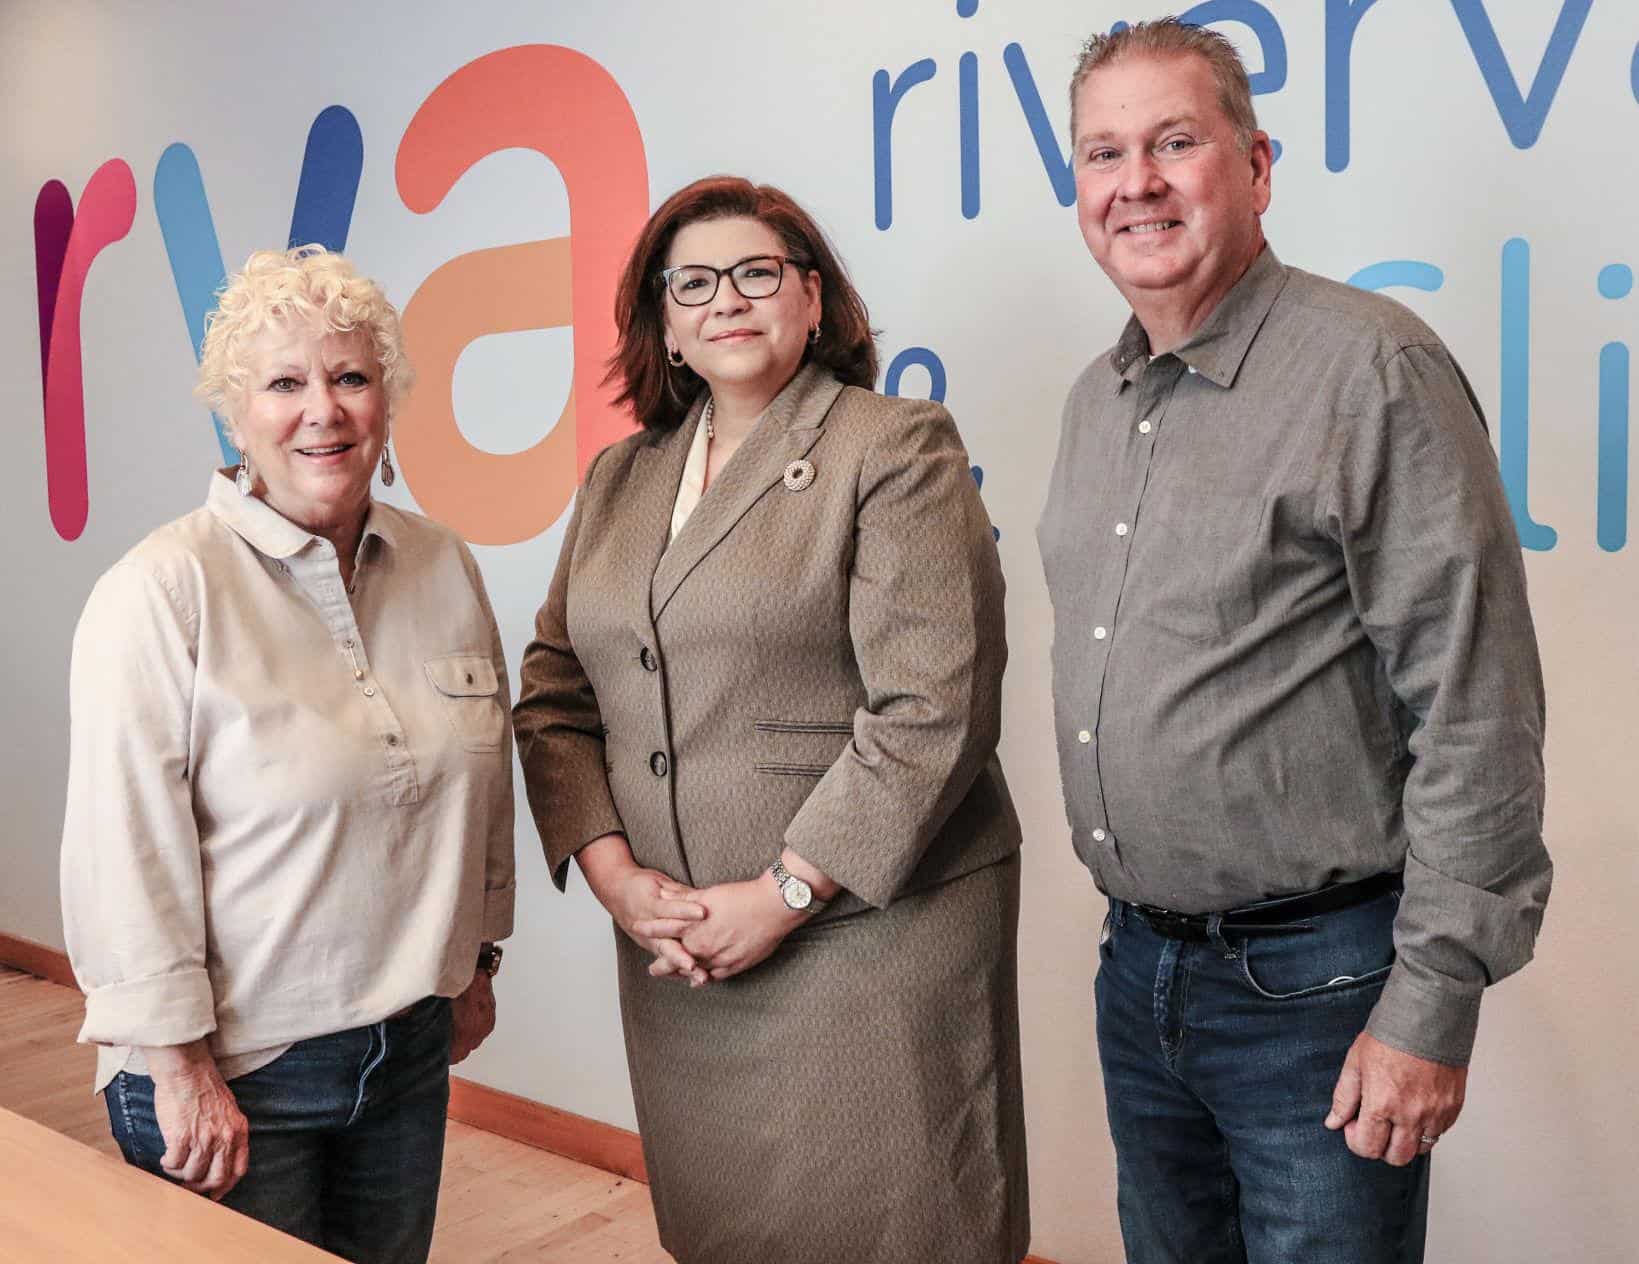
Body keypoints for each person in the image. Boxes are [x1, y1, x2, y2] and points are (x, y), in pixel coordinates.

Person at [1038, 19, 1551, 1264]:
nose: (1135, 182)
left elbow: (1476, 708)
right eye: (1104, 154)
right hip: (1138, 970)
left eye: (1174, 141)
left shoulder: (1368, 370)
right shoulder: (1095, 401)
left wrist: (1429, 1007)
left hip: (1316, 991)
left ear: (1256, 164)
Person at [513, 175, 1029, 1264]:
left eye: (757, 272)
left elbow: (933, 707)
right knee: (726, 1231)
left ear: (812, 299)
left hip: (866, 936)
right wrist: (612, 876)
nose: (726, 300)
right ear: (664, 321)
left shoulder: (892, 443)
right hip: (680, 944)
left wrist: (785, 890)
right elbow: (556, 694)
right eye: (691, 282)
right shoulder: (621, 475)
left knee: (898, 1226)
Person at [60, 246, 514, 1264]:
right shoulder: (163, 590)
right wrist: (178, 1066)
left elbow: (485, 778)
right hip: (237, 1071)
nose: (324, 409)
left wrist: (478, 957)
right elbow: (121, 851)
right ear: (234, 414)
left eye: (351, 377)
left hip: (406, 1048)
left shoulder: (442, 564)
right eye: (285, 382)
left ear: (386, 403)